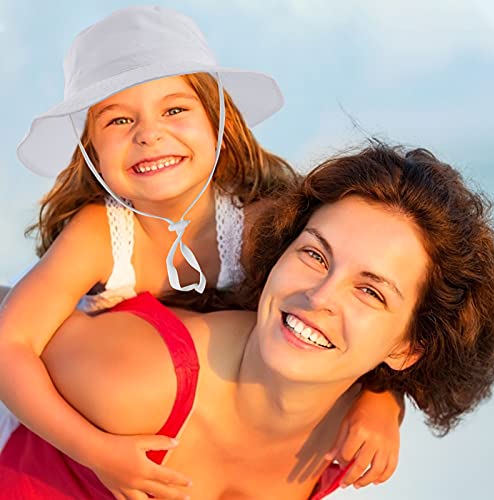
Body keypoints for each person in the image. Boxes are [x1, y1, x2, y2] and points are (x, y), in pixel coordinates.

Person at [0, 5, 403, 497]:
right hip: (47, 413)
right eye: (119, 120)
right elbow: (9, 347)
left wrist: (382, 400)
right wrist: (96, 451)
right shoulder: (101, 232)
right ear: (92, 153)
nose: (148, 133)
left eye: (174, 110)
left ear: (218, 123)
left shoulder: (255, 224)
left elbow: (345, 312)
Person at [1, 143, 494, 500]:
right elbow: (12, 336)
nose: (318, 295)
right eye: (314, 255)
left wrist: (384, 400)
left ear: (408, 349)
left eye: (369, 291)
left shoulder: (350, 444)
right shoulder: (141, 383)